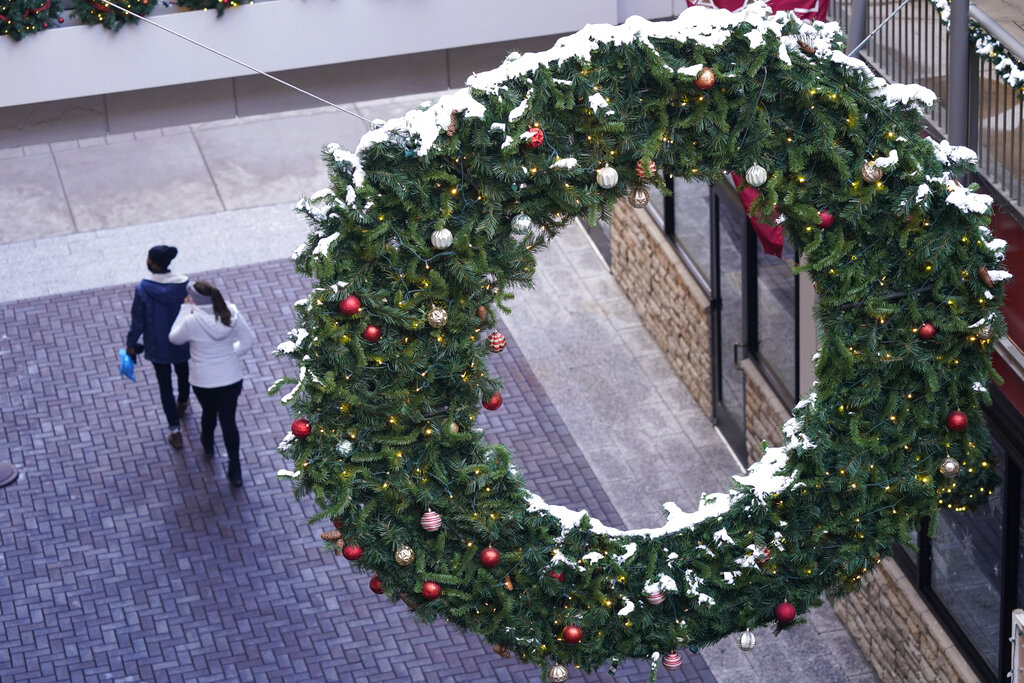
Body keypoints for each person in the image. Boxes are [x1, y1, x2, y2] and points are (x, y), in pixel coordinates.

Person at [169, 280, 254, 487]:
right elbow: (247, 340)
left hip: (203, 381)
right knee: (229, 421)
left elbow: (173, 338)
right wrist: (229, 355)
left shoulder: (191, 321)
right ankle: (235, 468)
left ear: (194, 300)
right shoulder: (231, 313)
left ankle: (207, 442)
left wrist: (184, 309)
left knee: (208, 412)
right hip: (231, 379)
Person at [126, 245, 190, 449]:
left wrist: (130, 344)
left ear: (153, 263)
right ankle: (183, 402)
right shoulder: (184, 284)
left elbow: (137, 321)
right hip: (181, 340)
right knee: (183, 373)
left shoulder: (143, 288)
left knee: (164, 386)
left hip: (157, 344)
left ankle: (175, 430)